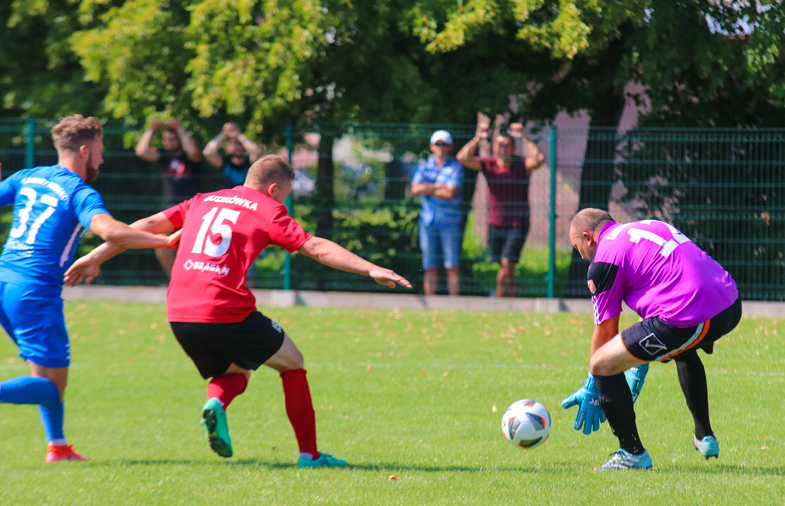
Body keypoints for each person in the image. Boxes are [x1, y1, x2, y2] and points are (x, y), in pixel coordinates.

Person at [65, 155, 412, 468]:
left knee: (237, 371)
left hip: (179, 313)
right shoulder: (267, 209)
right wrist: (370, 269)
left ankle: (216, 405)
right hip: (224, 309)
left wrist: (95, 256)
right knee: (293, 362)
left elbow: (148, 224)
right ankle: (310, 455)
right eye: (286, 195)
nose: (284, 202)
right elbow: (316, 247)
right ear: (273, 188)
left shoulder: (202, 200)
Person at [0, 115, 180, 463]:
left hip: (4, 281)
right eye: (98, 151)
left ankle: (59, 446)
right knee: (52, 387)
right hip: (34, 293)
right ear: (84, 151)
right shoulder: (79, 192)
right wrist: (166, 241)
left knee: (45, 371)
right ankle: (57, 445)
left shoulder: (29, 176)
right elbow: (111, 231)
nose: (101, 159)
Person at [562, 208, 741, 470]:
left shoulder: (602, 261)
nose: (583, 256)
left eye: (579, 249)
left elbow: (606, 334)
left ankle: (631, 453)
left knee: (601, 364)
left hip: (690, 316)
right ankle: (704, 434)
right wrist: (639, 361)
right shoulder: (648, 226)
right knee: (681, 349)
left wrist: (593, 382)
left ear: (588, 238)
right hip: (729, 303)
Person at [457, 117, 545, 298]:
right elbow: (462, 157)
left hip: (518, 222)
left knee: (506, 262)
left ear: (513, 148)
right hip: (495, 223)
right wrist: (478, 138)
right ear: (495, 148)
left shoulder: (521, 164)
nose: (503, 148)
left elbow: (539, 159)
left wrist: (523, 138)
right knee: (507, 266)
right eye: (500, 145)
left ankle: (497, 298)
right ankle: (513, 301)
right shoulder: (488, 163)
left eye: (507, 145)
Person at [135, 118, 203, 275]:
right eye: (166, 139)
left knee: (190, 246)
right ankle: (176, 278)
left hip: (191, 208)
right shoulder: (164, 157)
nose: (168, 142)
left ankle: (192, 278)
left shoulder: (191, 158)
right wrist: (151, 129)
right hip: (169, 208)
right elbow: (142, 151)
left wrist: (179, 128)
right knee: (161, 246)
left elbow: (193, 152)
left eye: (172, 139)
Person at [411, 130, 463, 296]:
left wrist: (428, 187)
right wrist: (440, 186)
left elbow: (450, 193)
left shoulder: (456, 167)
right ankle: (431, 304)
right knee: (429, 265)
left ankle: (455, 305)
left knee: (452, 265)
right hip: (428, 221)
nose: (441, 147)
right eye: (438, 144)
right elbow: (415, 189)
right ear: (432, 147)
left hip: (450, 222)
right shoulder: (424, 165)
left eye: (445, 144)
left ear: (450, 147)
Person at [203, 122, 263, 188]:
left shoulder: (250, 161)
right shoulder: (225, 161)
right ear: (227, 147)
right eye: (233, 144)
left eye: (239, 144)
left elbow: (257, 151)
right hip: (229, 196)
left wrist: (239, 135)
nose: (236, 148)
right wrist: (224, 133)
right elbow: (208, 153)